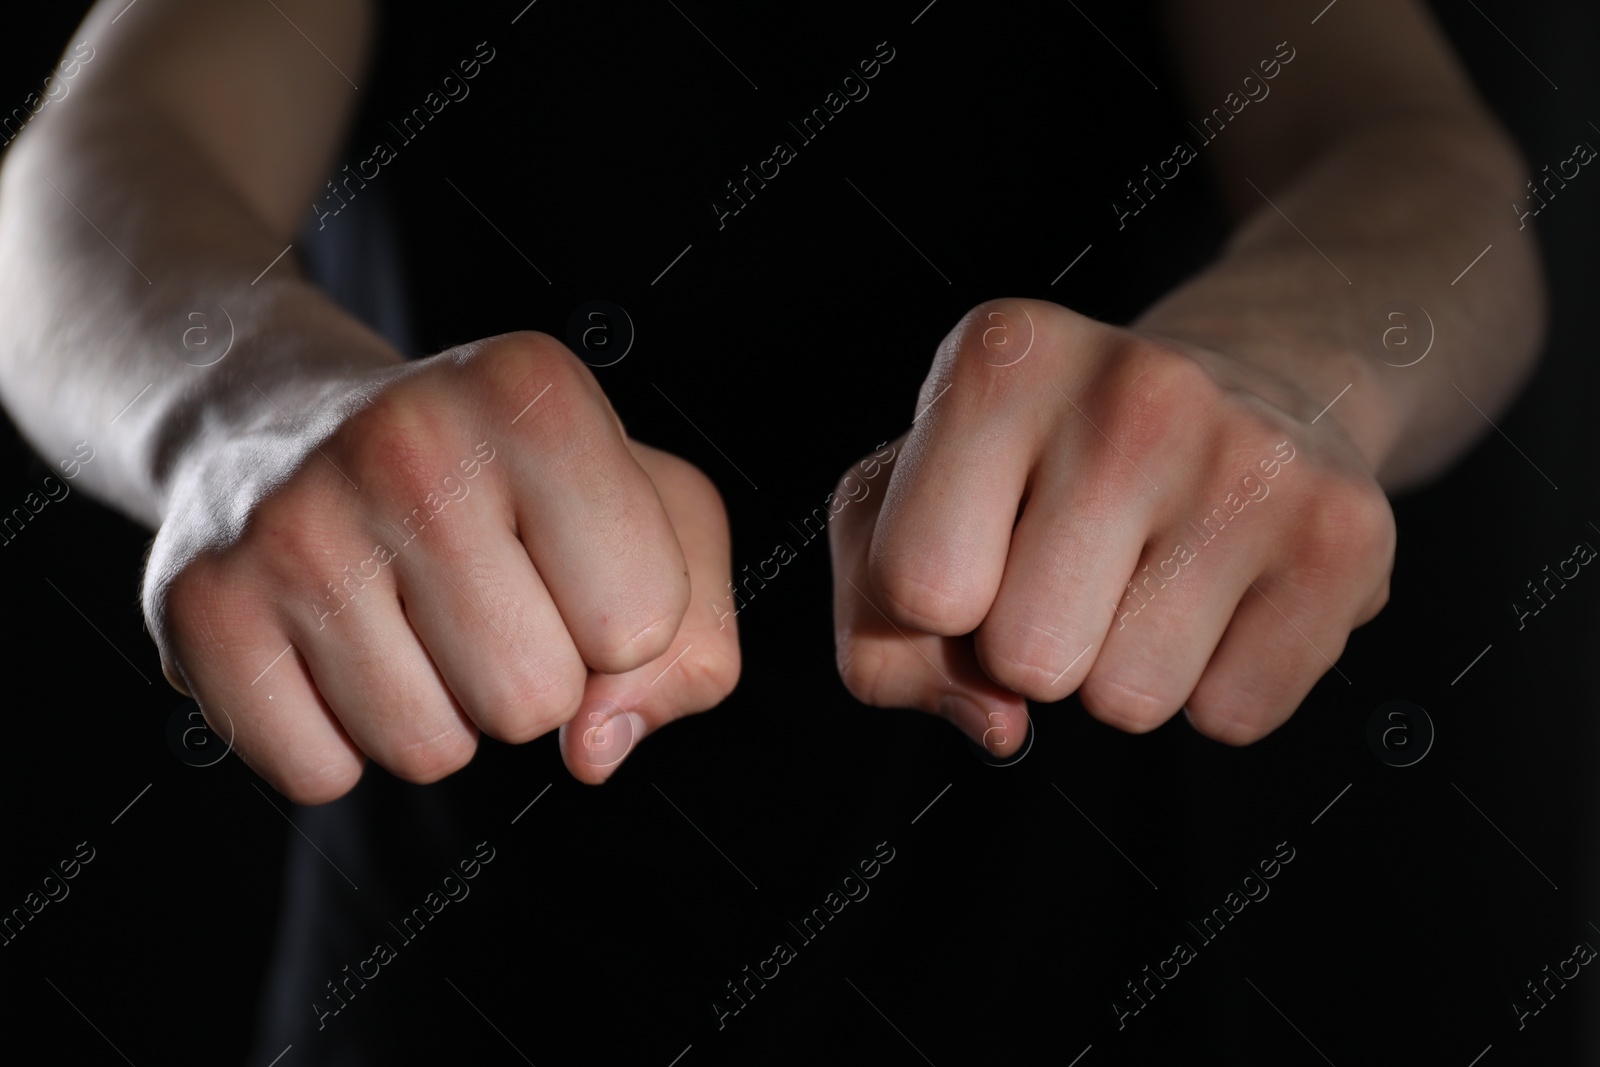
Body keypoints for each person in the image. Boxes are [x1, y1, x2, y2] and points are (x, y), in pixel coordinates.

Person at [0, 0, 1552, 1059]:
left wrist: (1281, 375)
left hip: (1085, 969)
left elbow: (1408, 147)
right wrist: (256, 409)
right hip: (444, 972)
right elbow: (99, 164)